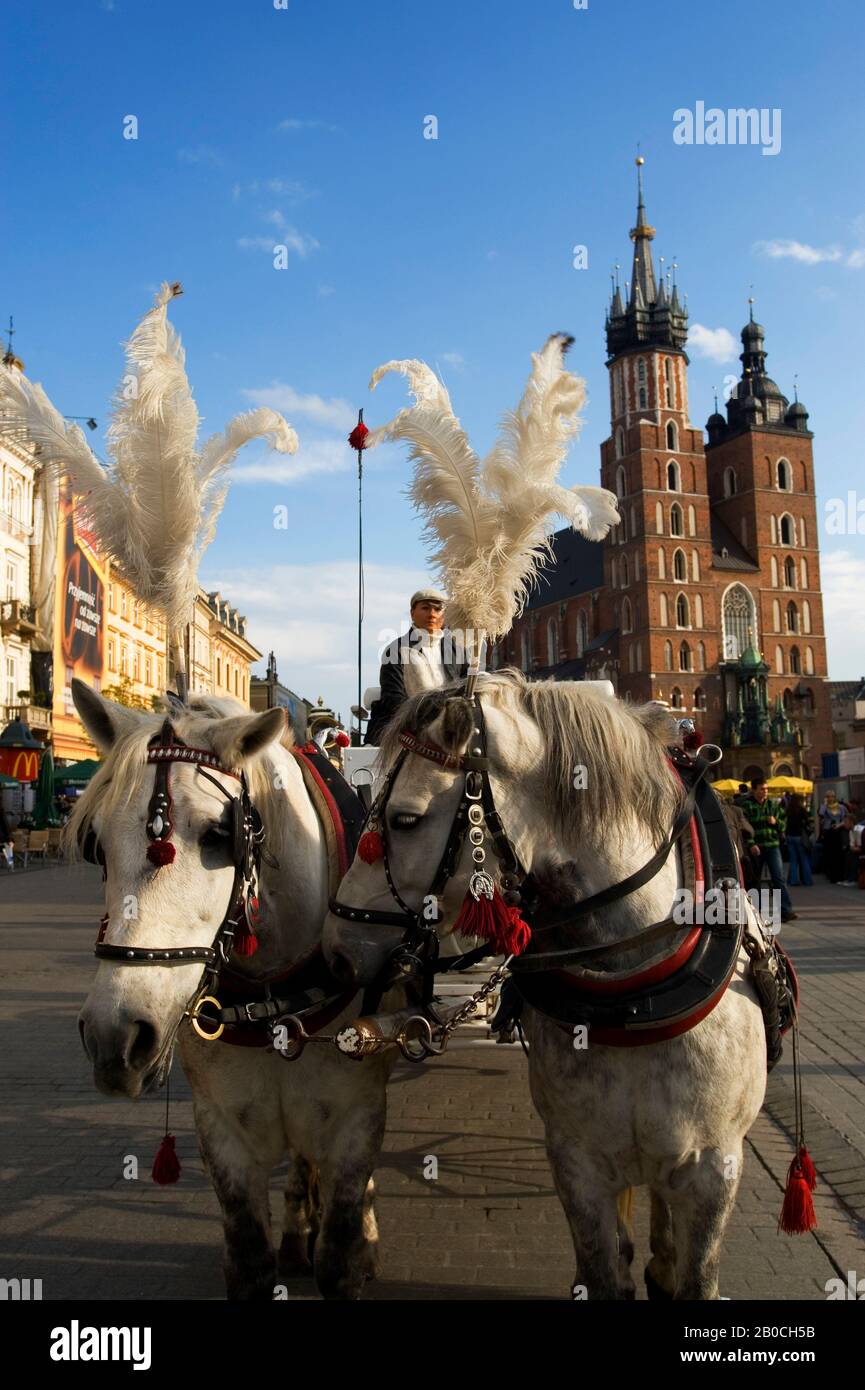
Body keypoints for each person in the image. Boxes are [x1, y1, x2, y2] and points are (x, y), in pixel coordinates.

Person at [364, 589, 468, 745]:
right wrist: (426, 720)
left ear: (444, 615)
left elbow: (467, 691)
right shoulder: (396, 650)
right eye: (425, 608)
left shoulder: (457, 650)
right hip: (406, 733)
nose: (432, 614)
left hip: (450, 732)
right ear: (412, 613)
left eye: (438, 609)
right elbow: (393, 699)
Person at [742, 777, 796, 922]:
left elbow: (783, 825)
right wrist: (751, 843)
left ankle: (786, 911)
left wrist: (775, 821)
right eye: (762, 789)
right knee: (755, 881)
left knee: (778, 879)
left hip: (772, 846)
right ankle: (757, 913)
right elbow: (744, 828)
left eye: (766, 789)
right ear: (754, 790)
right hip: (756, 848)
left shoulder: (773, 805)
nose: (765, 792)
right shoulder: (747, 806)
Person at [784, 793, 813, 888]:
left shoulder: (788, 810)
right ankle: (807, 880)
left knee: (793, 860)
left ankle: (793, 880)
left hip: (789, 836)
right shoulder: (802, 810)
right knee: (804, 859)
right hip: (800, 836)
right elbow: (807, 823)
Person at [818, 790, 847, 884]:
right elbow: (821, 814)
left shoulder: (841, 807)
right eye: (828, 796)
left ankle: (840, 875)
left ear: (835, 797)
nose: (830, 798)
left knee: (838, 854)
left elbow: (845, 819)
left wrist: (839, 825)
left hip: (838, 831)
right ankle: (832, 875)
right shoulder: (825, 807)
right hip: (828, 832)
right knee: (830, 854)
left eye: (832, 796)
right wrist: (824, 804)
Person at [0, 803, 14, 871]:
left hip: (3, 837)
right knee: (8, 847)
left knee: (7, 847)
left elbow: (5, 826)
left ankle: (10, 863)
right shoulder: (1, 812)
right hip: (3, 837)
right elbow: (6, 826)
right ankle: (10, 863)